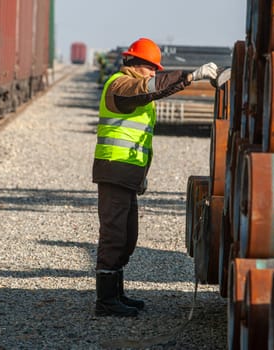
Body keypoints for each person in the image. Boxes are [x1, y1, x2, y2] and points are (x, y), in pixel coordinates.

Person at [92, 37, 218, 317]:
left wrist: (142, 175)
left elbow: (140, 138)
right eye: (151, 68)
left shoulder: (131, 88)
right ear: (135, 64)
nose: (153, 73)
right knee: (113, 236)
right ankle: (105, 301)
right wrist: (189, 76)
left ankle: (117, 293)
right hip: (114, 171)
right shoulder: (120, 85)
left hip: (127, 174)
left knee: (126, 237)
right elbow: (148, 89)